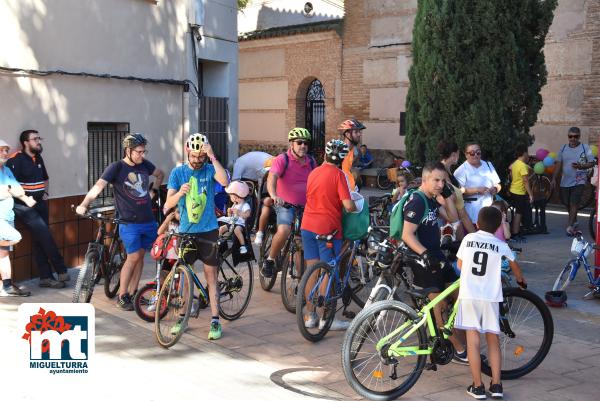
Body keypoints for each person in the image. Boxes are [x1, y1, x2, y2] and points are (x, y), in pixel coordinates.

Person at [76, 133, 164, 310]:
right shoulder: (117, 168)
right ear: (128, 151)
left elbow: (160, 174)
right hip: (128, 222)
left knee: (140, 257)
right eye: (139, 152)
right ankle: (122, 295)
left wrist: (152, 193)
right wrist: (84, 204)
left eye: (144, 151)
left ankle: (133, 294)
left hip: (148, 220)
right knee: (133, 257)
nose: (143, 155)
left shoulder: (144, 165)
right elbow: (98, 186)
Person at [455, 206, 526, 400]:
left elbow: (460, 265)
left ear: (477, 223)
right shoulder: (500, 244)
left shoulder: (468, 239)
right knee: (493, 340)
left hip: (469, 296)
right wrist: (521, 281)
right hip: (491, 298)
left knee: (473, 340)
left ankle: (477, 386)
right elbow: (514, 264)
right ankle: (496, 385)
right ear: (497, 228)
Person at [164, 133, 229, 340]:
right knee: (185, 276)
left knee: (212, 277)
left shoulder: (209, 169)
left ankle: (215, 321)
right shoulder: (178, 173)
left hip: (208, 230)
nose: (197, 160)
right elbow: (168, 204)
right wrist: (180, 194)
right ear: (187, 152)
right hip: (186, 232)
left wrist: (212, 156)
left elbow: (225, 181)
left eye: (200, 156)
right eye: (194, 156)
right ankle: (182, 318)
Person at [401, 162, 465, 363]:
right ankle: (456, 349)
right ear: (425, 179)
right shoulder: (418, 201)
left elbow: (453, 220)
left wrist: (446, 197)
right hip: (422, 260)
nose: (440, 184)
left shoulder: (432, 200)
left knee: (458, 294)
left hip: (437, 256)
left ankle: (447, 337)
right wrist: (424, 253)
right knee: (440, 305)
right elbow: (407, 235)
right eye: (436, 180)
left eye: (443, 180)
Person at [300, 139, 356, 330]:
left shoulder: (313, 172)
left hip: (307, 225)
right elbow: (348, 205)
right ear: (341, 158)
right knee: (328, 271)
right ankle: (326, 319)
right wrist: (355, 206)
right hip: (328, 230)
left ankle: (310, 317)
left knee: (312, 270)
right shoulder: (338, 175)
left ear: (324, 154)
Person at [7, 130, 70, 289]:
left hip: (41, 203)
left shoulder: (38, 157)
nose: (38, 141)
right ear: (25, 143)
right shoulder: (16, 160)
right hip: (23, 206)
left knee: (39, 239)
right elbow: (9, 185)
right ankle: (61, 269)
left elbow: (45, 178)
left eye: (39, 138)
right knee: (45, 234)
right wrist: (25, 200)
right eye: (35, 139)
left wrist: (46, 193)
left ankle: (45, 278)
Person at [261, 128, 315, 278]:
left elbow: (316, 181)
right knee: (284, 230)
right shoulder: (282, 159)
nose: (303, 146)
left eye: (305, 143)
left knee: (300, 240)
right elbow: (272, 178)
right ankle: (270, 260)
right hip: (285, 204)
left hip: (305, 207)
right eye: (299, 143)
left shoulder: (311, 161)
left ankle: (301, 280)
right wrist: (274, 195)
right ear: (292, 144)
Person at [0, 140, 34, 297]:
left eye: (6, 150)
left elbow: (17, 189)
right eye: (1, 150)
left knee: (4, 253)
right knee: (14, 239)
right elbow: (6, 191)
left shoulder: (6, 171)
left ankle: (6, 286)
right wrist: (5, 192)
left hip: (7, 218)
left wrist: (26, 199)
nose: (5, 153)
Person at [552, 127, 595, 236]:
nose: (573, 139)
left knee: (574, 203)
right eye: (570, 136)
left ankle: (570, 226)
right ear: (568, 137)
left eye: (575, 136)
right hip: (565, 181)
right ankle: (574, 220)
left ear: (579, 137)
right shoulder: (563, 148)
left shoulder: (585, 147)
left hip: (579, 180)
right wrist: (553, 178)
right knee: (566, 202)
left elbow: (591, 163)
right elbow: (558, 164)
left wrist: (581, 166)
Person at [454, 142, 501, 225]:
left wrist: (495, 189)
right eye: (472, 153)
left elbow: (498, 184)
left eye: (478, 152)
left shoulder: (488, 165)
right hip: (471, 214)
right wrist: (477, 190)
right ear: (466, 154)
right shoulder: (461, 171)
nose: (475, 155)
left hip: (489, 211)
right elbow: (457, 194)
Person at [438, 140, 476, 238]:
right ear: (454, 154)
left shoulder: (446, 169)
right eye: (459, 154)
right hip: (448, 219)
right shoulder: (441, 171)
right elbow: (450, 196)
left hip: (455, 216)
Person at [218, 181, 251, 254]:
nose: (231, 198)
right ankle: (220, 242)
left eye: (231, 196)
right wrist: (229, 213)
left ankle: (243, 245)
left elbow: (247, 215)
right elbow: (231, 217)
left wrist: (239, 212)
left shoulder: (245, 205)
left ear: (237, 196)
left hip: (240, 224)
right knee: (221, 228)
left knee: (237, 230)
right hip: (232, 222)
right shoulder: (234, 205)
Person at [508, 145, 534, 239]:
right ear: (524, 153)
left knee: (518, 212)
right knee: (519, 213)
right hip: (520, 193)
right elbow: (526, 181)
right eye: (527, 152)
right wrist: (531, 195)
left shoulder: (515, 164)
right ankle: (515, 233)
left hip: (513, 191)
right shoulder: (523, 166)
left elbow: (510, 169)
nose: (528, 155)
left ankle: (515, 231)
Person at [338, 119, 366, 190]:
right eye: (356, 132)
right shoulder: (339, 150)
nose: (359, 134)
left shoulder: (352, 150)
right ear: (347, 134)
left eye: (359, 132)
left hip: (351, 191)